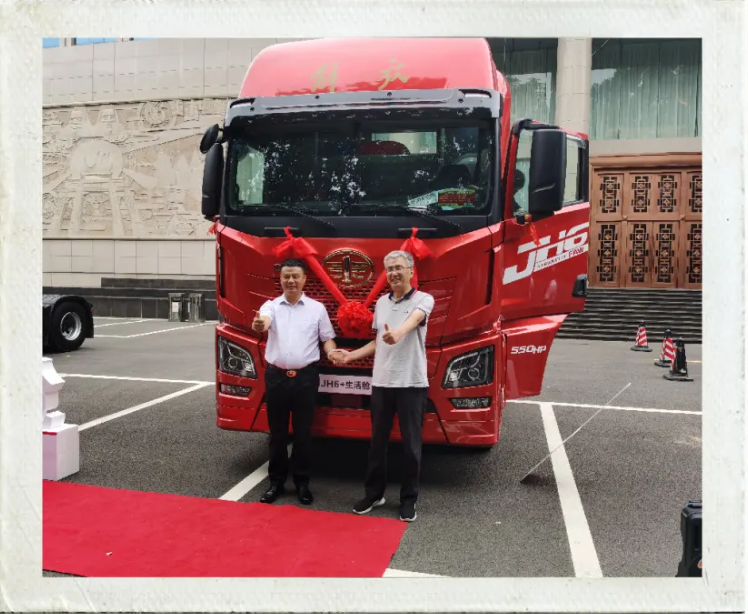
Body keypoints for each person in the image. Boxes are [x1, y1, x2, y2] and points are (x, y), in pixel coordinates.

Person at [330, 250, 434, 522]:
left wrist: (398, 332)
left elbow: (414, 321)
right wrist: (350, 356)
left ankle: (409, 499)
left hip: (411, 383)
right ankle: (374, 494)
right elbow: (378, 341)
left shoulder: (424, 299)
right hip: (382, 382)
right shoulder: (381, 303)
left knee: (411, 446)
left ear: (411, 270)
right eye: (389, 269)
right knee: (377, 443)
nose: (394, 273)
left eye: (399, 267)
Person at [252, 258, 338, 505]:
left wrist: (332, 352)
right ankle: (276, 483)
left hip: (306, 379)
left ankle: (302, 483)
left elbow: (327, 338)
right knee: (277, 434)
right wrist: (259, 324)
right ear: (280, 279)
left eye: (295, 276)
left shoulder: (317, 308)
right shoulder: (270, 306)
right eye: (286, 276)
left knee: (303, 434)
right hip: (276, 377)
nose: (290, 280)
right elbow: (263, 321)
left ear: (304, 279)